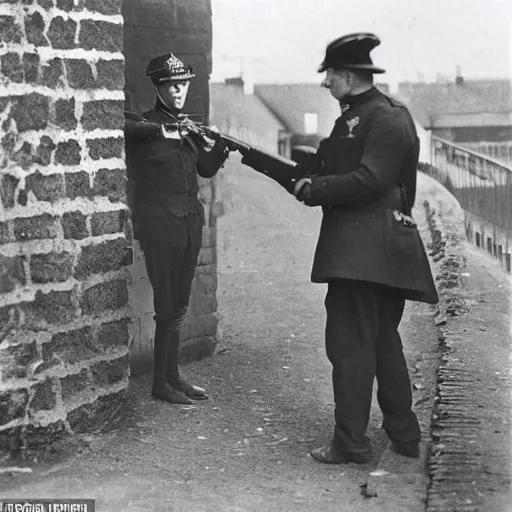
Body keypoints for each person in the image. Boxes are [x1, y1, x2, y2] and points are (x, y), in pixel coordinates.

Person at [240, 33, 438, 463]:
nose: (326, 83)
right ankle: (404, 436)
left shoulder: (386, 118)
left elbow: (372, 180)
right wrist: (255, 157)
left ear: (348, 76)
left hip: (366, 252)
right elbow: (327, 165)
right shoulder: (358, 116)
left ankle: (351, 443)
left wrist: (316, 187)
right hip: (372, 253)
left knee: (349, 345)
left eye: (330, 75)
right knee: (382, 341)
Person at [124, 53, 235, 405]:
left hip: (189, 221)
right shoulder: (147, 126)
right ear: (158, 86)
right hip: (160, 224)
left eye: (183, 84)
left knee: (180, 303)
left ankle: (173, 376)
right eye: (172, 85)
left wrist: (220, 148)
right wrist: (170, 130)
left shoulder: (189, 128)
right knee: (166, 303)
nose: (179, 91)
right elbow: (124, 128)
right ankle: (161, 382)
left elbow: (204, 169)